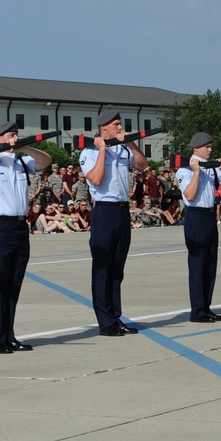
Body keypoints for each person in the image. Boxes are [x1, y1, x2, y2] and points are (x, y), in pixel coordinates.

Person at [0, 121, 53, 354]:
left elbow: (45, 161)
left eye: (17, 135)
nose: (15, 138)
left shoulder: (20, 160)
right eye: (11, 135)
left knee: (13, 285)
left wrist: (25, 147)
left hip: (19, 227)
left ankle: (9, 335)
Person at [80, 110, 150, 336]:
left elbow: (142, 165)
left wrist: (130, 144)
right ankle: (105, 321)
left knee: (117, 269)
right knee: (102, 268)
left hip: (122, 211)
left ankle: (116, 317)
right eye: (117, 124)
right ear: (104, 128)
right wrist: (102, 150)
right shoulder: (89, 153)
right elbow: (96, 179)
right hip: (104, 211)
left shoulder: (122, 149)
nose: (120, 128)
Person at [176, 132, 221, 323]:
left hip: (210, 215)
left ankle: (206, 306)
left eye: (211, 146)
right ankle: (197, 310)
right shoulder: (185, 170)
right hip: (195, 216)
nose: (210, 149)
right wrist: (196, 172)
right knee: (197, 265)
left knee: (210, 265)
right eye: (207, 147)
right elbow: (191, 195)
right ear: (196, 148)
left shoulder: (211, 167)